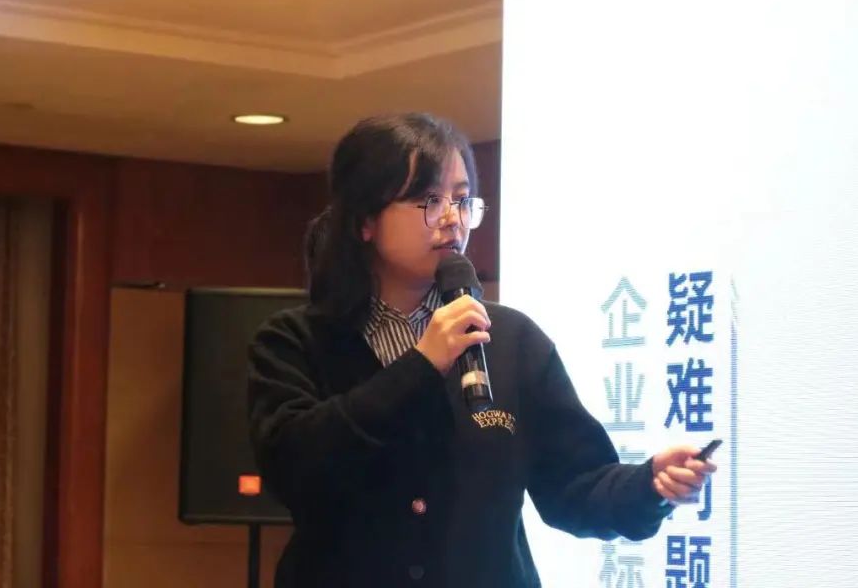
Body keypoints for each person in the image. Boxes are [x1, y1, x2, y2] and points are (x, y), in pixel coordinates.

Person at [247, 113, 716, 587]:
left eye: (462, 199)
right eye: (430, 200)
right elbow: (295, 469)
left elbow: (575, 486)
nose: (453, 219)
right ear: (365, 220)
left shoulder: (513, 339)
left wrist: (648, 486)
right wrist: (421, 365)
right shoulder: (295, 341)